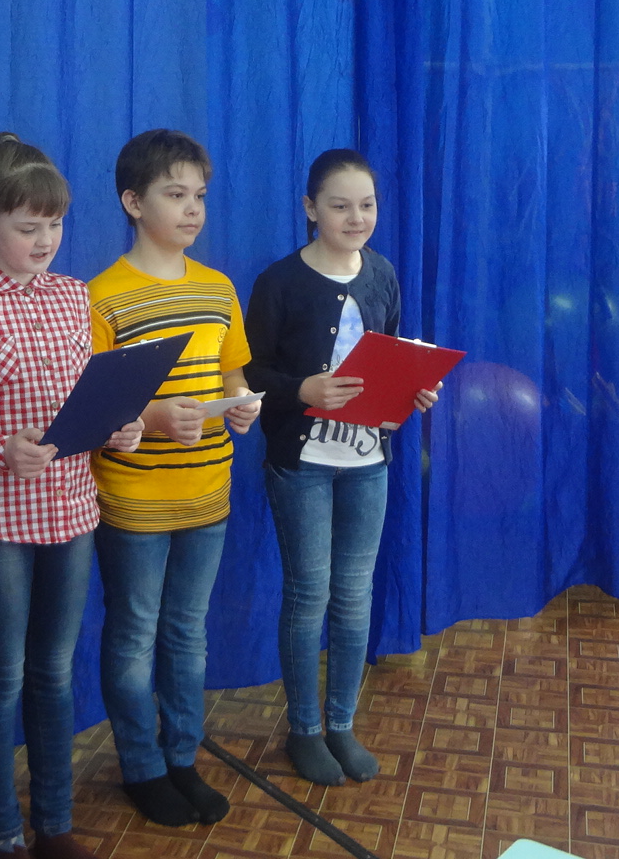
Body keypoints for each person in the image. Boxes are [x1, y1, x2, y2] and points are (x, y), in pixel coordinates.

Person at [0, 134, 145, 859]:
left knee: (53, 673)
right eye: (27, 226)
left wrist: (120, 426)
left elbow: (87, 399)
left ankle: (54, 824)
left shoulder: (74, 297)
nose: (45, 241)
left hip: (71, 513)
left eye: (55, 224)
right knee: (0, 678)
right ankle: (2, 832)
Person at [242, 148, 439, 787]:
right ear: (310, 208)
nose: (356, 217)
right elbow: (251, 373)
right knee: (309, 594)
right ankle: (304, 730)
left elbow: (394, 354)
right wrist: (303, 389)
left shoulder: (382, 274)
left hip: (367, 463)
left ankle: (342, 724)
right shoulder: (280, 282)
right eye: (340, 205)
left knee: (354, 595)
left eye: (367, 205)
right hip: (301, 464)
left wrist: (413, 393)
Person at [88, 128, 261, 827]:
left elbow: (232, 374)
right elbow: (98, 411)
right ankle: (142, 766)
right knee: (135, 634)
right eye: (175, 195)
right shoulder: (102, 297)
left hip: (207, 490)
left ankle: (183, 755)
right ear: (133, 202)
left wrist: (242, 404)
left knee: (188, 632)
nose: (192, 210)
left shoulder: (218, 289)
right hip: (134, 497)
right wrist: (154, 418)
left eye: (200, 196)